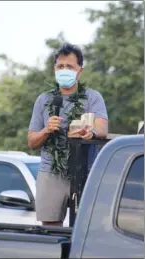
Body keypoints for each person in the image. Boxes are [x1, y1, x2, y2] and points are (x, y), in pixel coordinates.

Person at [28, 42, 108, 227]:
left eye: (69, 66)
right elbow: (32, 142)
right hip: (51, 171)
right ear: (54, 69)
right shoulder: (44, 99)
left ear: (79, 71)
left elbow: (102, 128)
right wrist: (46, 130)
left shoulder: (92, 97)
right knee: (50, 228)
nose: (64, 70)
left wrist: (91, 132)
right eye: (60, 66)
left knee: (85, 228)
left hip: (84, 171)